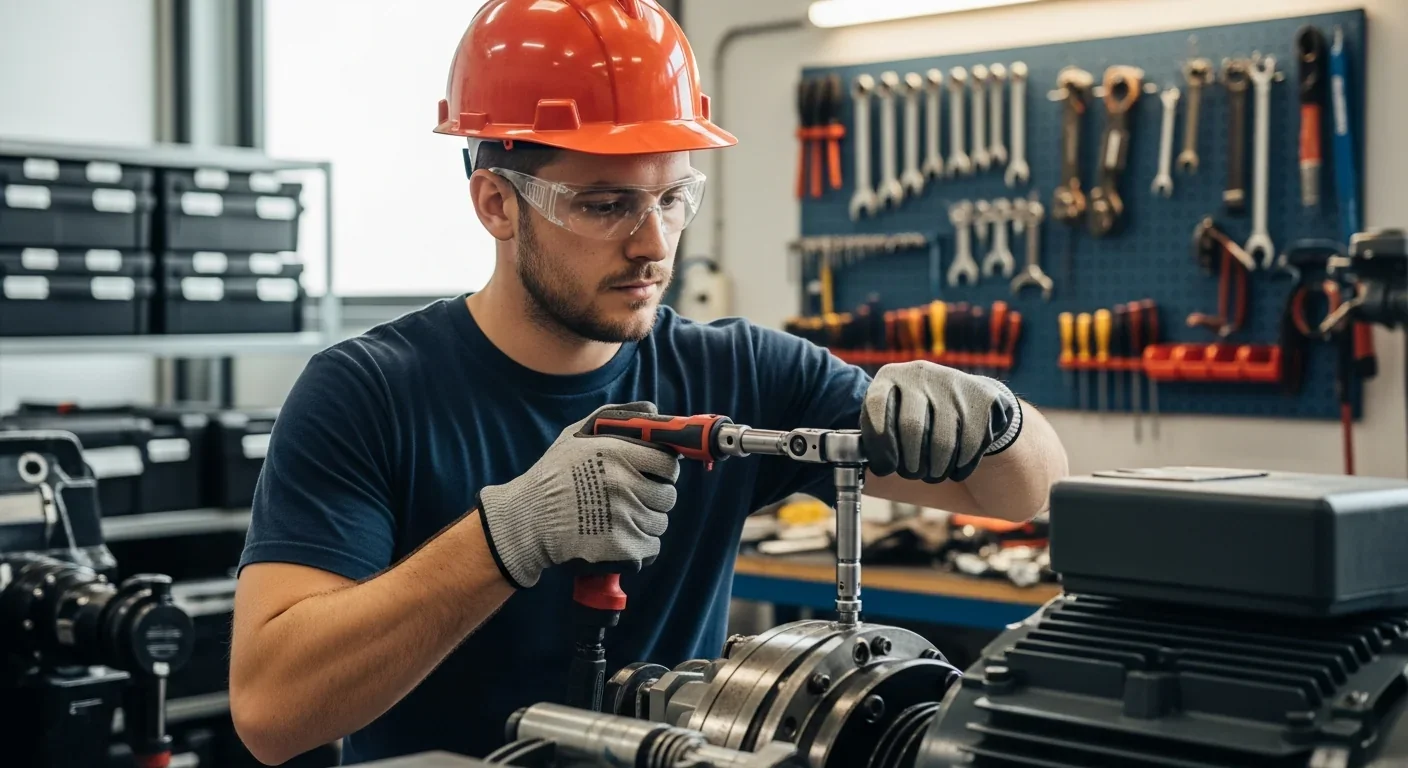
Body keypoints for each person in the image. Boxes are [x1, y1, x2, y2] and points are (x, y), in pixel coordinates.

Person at [229, 1, 1068, 764]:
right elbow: (272, 713)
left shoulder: (735, 371)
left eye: (673, 197)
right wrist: (508, 535)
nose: (653, 244)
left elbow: (1028, 491)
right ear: (495, 203)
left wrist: (993, 418)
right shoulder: (367, 393)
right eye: (605, 206)